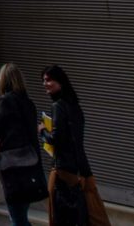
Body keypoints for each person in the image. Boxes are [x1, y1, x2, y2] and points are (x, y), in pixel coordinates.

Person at [40, 65, 109, 226]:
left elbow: (56, 138)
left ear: (60, 81)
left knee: (61, 217)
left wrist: (42, 131)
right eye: (43, 80)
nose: (45, 84)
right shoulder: (75, 106)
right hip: (82, 168)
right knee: (93, 214)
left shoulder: (58, 106)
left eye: (48, 80)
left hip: (63, 170)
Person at [0, 63, 47, 226]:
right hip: (29, 164)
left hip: (13, 166)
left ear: (3, 81)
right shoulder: (28, 103)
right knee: (21, 215)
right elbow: (22, 126)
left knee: (17, 217)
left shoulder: (5, 101)